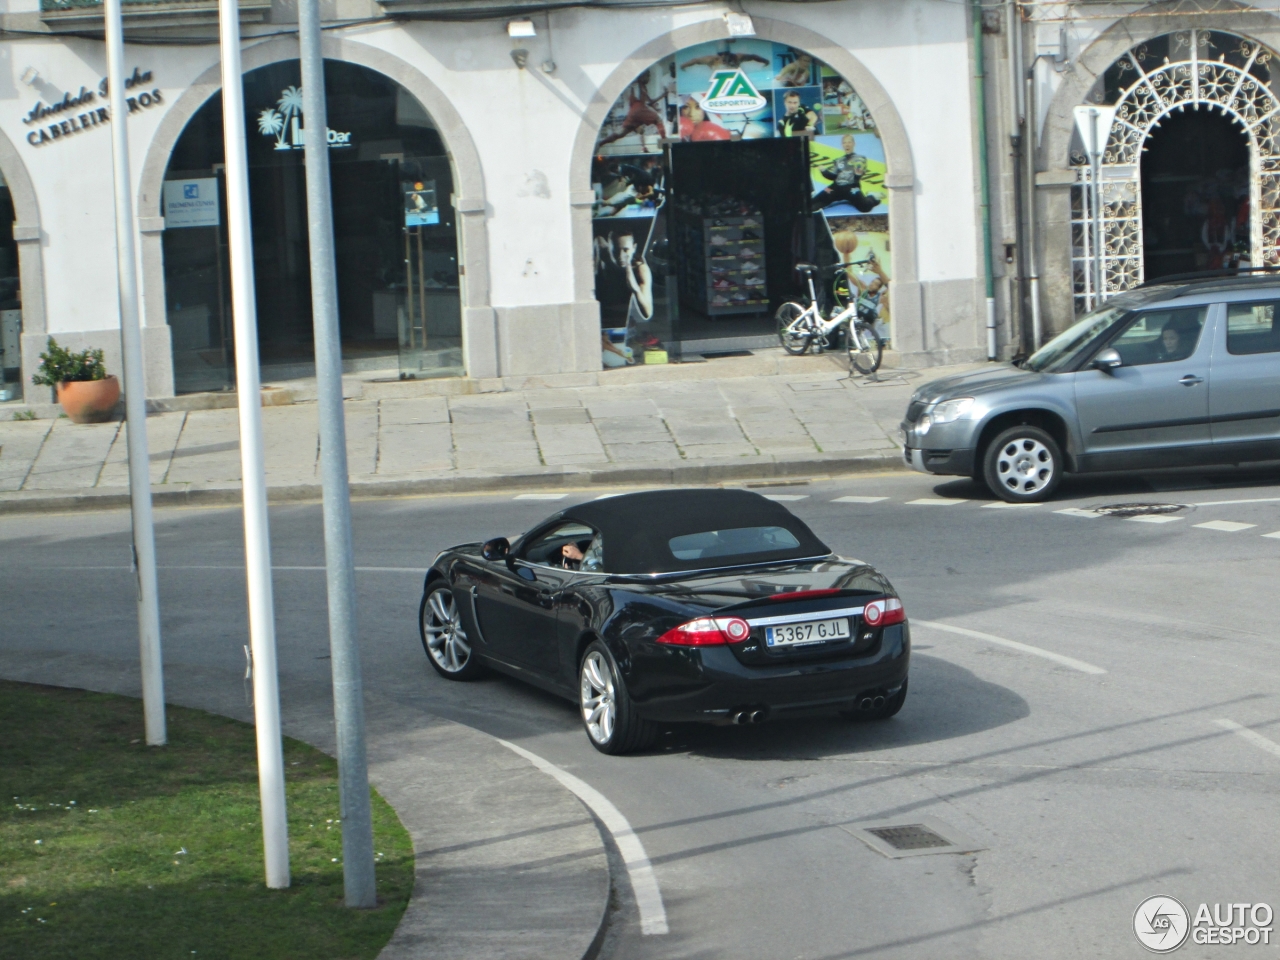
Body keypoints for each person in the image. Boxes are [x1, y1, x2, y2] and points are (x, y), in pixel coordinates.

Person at [596, 73, 666, 153]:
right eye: (647, 76)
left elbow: (650, 102)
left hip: (633, 112)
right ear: (642, 76)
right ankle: (664, 141)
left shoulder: (643, 87)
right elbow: (638, 97)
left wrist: (661, 99)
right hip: (638, 108)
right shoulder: (637, 85)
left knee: (622, 133)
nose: (649, 78)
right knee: (658, 119)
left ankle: (600, 143)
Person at [814, 135, 881, 212]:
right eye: (844, 143)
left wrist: (858, 173)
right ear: (842, 145)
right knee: (813, 203)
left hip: (851, 188)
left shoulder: (860, 158)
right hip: (836, 187)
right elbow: (832, 177)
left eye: (849, 142)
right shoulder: (838, 160)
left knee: (865, 208)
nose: (847, 144)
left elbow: (857, 178)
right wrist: (824, 171)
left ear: (853, 144)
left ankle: (872, 196)